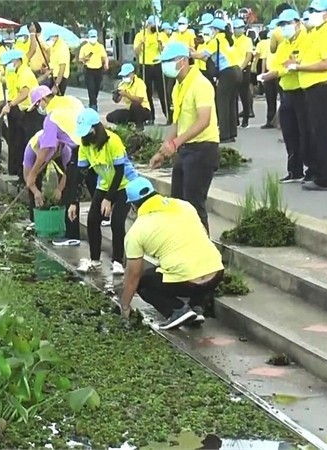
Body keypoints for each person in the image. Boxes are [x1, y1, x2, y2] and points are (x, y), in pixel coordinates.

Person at [119, 177, 225, 330]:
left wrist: (125, 305)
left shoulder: (137, 231)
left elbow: (133, 274)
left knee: (143, 283)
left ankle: (177, 311)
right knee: (197, 261)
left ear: (133, 206)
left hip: (188, 281)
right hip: (216, 273)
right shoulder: (185, 206)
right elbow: (203, 235)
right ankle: (197, 307)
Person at [150, 42, 220, 232]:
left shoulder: (201, 84)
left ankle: (204, 255)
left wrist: (176, 143)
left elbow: (203, 120)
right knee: (178, 204)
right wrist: (163, 150)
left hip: (203, 149)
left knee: (194, 206)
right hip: (185, 150)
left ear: (182, 61)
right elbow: (177, 122)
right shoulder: (178, 87)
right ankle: (185, 249)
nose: (164, 66)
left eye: (167, 61)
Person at [65, 108, 132, 274]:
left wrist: (109, 199)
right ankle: (94, 260)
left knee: (117, 221)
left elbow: (119, 172)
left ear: (95, 128)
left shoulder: (113, 141)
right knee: (92, 219)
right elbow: (80, 175)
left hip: (124, 184)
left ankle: (117, 261)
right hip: (104, 184)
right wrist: (73, 202)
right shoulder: (85, 146)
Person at [290, 0, 327, 191]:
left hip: (323, 89)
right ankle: (323, 173)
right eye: (310, 10)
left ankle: (325, 178)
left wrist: (301, 67)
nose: (311, 14)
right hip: (314, 89)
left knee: (321, 135)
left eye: (315, 11)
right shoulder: (316, 32)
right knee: (317, 134)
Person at [28, 85, 86, 245]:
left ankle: (71, 235)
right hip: (90, 143)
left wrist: (33, 173)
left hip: (80, 149)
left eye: (38, 104)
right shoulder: (71, 100)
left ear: (43, 100)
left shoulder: (51, 117)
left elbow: (46, 148)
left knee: (71, 190)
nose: (39, 108)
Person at [260, 10, 311, 184]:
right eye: (281, 25)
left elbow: (298, 64)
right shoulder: (284, 44)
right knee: (289, 132)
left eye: (287, 23)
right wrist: (278, 70)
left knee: (305, 132)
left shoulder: (306, 39)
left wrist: (287, 67)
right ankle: (294, 170)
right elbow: (277, 65)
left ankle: (310, 169)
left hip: (302, 90)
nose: (284, 28)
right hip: (286, 91)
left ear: (297, 22)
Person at [192, 18, 241, 143]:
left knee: (222, 103)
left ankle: (224, 135)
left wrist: (189, 53)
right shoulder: (228, 39)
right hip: (236, 71)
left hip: (227, 72)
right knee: (230, 102)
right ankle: (231, 133)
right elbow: (208, 58)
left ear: (216, 30)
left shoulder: (216, 40)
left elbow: (202, 55)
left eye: (212, 29)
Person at [1, 49, 40, 182]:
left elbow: (24, 93)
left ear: (17, 61)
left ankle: (31, 177)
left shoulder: (24, 73)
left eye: (10, 62)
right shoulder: (19, 72)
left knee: (29, 144)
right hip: (24, 111)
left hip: (32, 112)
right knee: (20, 143)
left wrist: (10, 105)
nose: (9, 66)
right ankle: (22, 176)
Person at [23, 129, 72, 233]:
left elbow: (67, 173)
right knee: (35, 186)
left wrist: (59, 189)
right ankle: (35, 220)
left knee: (66, 188)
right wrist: (35, 191)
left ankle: (64, 218)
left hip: (57, 157)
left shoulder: (64, 149)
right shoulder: (30, 150)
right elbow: (28, 176)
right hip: (36, 164)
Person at [133, 15, 169, 123]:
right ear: (148, 25)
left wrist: (160, 44)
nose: (154, 27)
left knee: (162, 92)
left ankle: (168, 116)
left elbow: (165, 51)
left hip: (158, 64)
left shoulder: (160, 35)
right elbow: (136, 51)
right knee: (147, 92)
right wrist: (141, 43)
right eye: (153, 25)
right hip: (145, 65)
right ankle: (150, 117)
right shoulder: (140, 35)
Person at [106, 63, 152, 128]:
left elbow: (139, 100)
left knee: (134, 105)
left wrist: (127, 95)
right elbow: (116, 101)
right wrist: (117, 95)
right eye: (123, 76)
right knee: (111, 116)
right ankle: (127, 126)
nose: (125, 77)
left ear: (132, 74)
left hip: (143, 110)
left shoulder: (139, 83)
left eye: (126, 75)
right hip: (130, 110)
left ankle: (139, 126)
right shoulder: (122, 84)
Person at [78, 29, 109, 110]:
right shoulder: (85, 47)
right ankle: (93, 105)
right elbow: (80, 59)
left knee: (96, 88)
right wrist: (85, 59)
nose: (93, 38)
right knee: (91, 88)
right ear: (88, 37)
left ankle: (93, 102)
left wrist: (106, 64)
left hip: (98, 69)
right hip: (89, 70)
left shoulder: (100, 47)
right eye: (91, 37)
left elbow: (105, 57)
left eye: (94, 37)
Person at [233, 19, 255, 128]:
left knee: (244, 95)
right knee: (233, 96)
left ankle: (245, 119)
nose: (239, 29)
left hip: (244, 70)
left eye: (241, 27)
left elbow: (249, 56)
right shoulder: (230, 40)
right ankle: (234, 120)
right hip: (232, 70)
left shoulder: (247, 40)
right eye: (237, 27)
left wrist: (241, 68)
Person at [257, 23, 279, 129]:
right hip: (269, 71)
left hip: (279, 72)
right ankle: (270, 120)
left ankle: (279, 122)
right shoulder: (267, 43)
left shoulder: (284, 42)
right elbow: (264, 59)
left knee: (284, 100)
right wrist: (263, 73)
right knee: (270, 98)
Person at [47, 29, 71, 95]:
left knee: (58, 101)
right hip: (53, 76)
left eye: (51, 37)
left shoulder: (62, 48)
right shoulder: (53, 46)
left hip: (60, 79)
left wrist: (56, 85)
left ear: (56, 36)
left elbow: (62, 68)